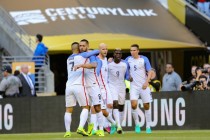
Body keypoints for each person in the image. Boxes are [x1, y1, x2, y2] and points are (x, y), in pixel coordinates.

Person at [64, 42, 100, 138]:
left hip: (68, 86)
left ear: (71, 49)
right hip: (79, 84)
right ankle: (80, 127)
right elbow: (96, 52)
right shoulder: (82, 55)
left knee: (68, 110)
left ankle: (67, 132)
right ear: (78, 49)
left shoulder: (68, 58)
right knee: (86, 107)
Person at [74, 39, 105, 137]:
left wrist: (81, 65)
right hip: (84, 86)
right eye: (80, 45)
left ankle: (101, 130)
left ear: (87, 46)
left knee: (97, 107)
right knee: (86, 108)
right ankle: (91, 128)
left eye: (83, 45)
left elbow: (94, 65)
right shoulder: (80, 56)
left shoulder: (91, 56)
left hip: (94, 85)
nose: (81, 47)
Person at [125, 44, 153, 134]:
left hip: (144, 86)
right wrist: (128, 77)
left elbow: (150, 71)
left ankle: (148, 126)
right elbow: (123, 68)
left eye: (134, 50)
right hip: (134, 86)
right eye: (131, 50)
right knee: (133, 105)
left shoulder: (144, 59)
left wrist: (147, 82)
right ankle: (137, 125)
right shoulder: (128, 59)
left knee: (146, 106)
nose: (132, 52)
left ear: (138, 51)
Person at [96, 43, 116, 134]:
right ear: (99, 50)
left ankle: (107, 125)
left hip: (106, 87)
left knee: (110, 105)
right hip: (99, 88)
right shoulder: (96, 60)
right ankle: (112, 124)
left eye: (106, 49)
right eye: (103, 49)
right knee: (102, 110)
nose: (105, 51)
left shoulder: (106, 60)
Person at [108, 48, 129, 134]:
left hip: (121, 86)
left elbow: (127, 76)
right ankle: (118, 126)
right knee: (115, 103)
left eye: (119, 53)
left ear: (121, 55)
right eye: (116, 53)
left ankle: (118, 125)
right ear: (113, 55)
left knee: (121, 106)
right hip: (112, 86)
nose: (118, 54)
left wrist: (129, 78)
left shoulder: (124, 65)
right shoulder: (109, 64)